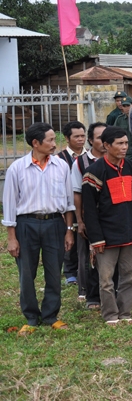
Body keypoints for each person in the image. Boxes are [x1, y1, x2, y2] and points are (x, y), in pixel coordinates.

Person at [3, 122, 75, 335]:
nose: (55, 144)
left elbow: (69, 200)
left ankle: (51, 315)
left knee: (54, 271)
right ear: (36, 143)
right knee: (27, 272)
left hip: (55, 223)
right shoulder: (17, 168)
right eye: (50, 140)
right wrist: (11, 238)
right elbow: (9, 205)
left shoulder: (61, 166)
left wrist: (69, 229)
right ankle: (32, 317)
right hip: (27, 224)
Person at [82, 127, 132, 325]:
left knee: (129, 275)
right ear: (106, 145)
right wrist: (96, 238)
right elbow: (89, 211)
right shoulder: (93, 172)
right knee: (106, 279)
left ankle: (125, 312)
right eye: (119, 143)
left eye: (126, 143)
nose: (124, 147)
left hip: (129, 232)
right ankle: (110, 315)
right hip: (106, 236)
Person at [72, 122, 107, 309]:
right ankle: (91, 294)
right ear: (91, 140)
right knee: (91, 255)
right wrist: (80, 220)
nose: (103, 141)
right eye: (99, 137)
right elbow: (77, 193)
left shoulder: (116, 160)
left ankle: (111, 290)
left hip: (111, 217)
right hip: (90, 216)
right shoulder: (81, 162)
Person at [57, 120, 86, 287]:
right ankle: (69, 271)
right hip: (66, 203)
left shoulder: (89, 156)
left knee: (83, 236)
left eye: (83, 136)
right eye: (76, 136)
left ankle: (83, 267)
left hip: (84, 202)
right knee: (69, 235)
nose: (80, 139)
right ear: (67, 138)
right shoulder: (59, 159)